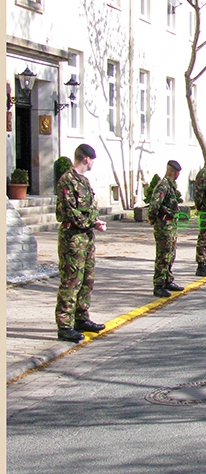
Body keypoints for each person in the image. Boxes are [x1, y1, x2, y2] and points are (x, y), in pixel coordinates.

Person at [54, 144, 108, 343]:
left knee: (87, 280)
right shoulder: (67, 180)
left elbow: (88, 208)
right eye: (92, 159)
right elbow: (69, 212)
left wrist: (95, 222)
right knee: (71, 281)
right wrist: (92, 223)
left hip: (86, 237)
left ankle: (81, 318)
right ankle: (64, 325)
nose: (93, 163)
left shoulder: (83, 181)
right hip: (73, 238)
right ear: (86, 159)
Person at [150, 160, 185, 297]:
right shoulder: (163, 185)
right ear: (174, 172)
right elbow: (154, 205)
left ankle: (167, 279)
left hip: (171, 224)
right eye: (177, 173)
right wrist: (153, 220)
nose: (178, 175)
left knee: (170, 253)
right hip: (164, 224)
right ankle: (158, 284)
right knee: (163, 255)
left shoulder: (170, 185)